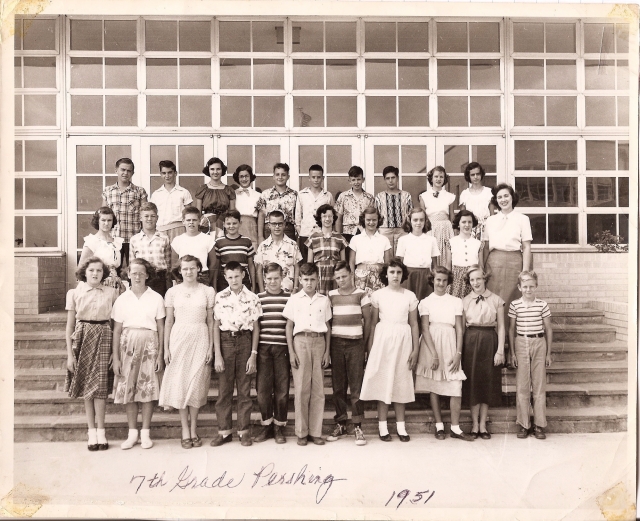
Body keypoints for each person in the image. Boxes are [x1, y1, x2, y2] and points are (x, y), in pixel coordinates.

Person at [159, 255, 215, 449]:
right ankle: (185, 430)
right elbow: (168, 322)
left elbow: (210, 321)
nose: (189, 272)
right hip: (179, 338)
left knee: (196, 384)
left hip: (200, 337)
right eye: (185, 269)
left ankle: (194, 428)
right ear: (180, 271)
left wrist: (211, 347)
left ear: (199, 269)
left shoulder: (207, 291)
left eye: (192, 268)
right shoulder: (172, 292)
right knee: (181, 384)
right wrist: (165, 348)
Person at [360, 259, 420, 442]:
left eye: (399, 272)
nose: (395, 275)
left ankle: (401, 427)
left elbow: (414, 323)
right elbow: (372, 322)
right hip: (383, 340)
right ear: (386, 274)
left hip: (403, 339)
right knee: (383, 381)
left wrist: (415, 349)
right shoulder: (378, 295)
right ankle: (383, 426)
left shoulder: (409, 296)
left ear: (403, 275)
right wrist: (369, 349)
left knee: (401, 382)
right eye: (392, 272)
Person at [64, 257, 119, 451]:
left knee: (100, 387)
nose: (95, 274)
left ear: (104, 274)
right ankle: (91, 432)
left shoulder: (112, 293)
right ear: (84, 273)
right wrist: (70, 355)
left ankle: (102, 432)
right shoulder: (74, 292)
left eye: (99, 270)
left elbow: (115, 325)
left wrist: (115, 351)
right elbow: (70, 326)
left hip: (104, 335)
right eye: (91, 270)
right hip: (82, 336)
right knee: (88, 385)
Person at [111, 258, 166, 450]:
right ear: (128, 275)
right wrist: (116, 357)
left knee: (148, 389)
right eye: (133, 272)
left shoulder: (157, 298)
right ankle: (132, 433)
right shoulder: (121, 299)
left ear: (147, 275)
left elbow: (161, 327)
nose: (137, 276)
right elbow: (116, 330)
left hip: (150, 344)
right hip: (127, 346)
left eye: (141, 273)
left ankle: (145, 433)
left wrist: (160, 355)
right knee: (130, 389)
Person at [415, 267, 473, 441]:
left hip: (450, 341)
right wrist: (433, 354)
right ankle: (439, 426)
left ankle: (455, 428)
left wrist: (458, 353)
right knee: (435, 384)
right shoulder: (425, 302)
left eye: (444, 280)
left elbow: (460, 329)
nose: (441, 283)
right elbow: (424, 329)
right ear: (433, 280)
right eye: (438, 279)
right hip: (431, 343)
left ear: (448, 282)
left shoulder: (456, 301)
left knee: (455, 385)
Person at [211, 262, 263, 447]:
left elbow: (256, 328)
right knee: (224, 390)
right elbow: (215, 326)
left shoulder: (253, 297)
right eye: (230, 277)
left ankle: (244, 431)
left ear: (243, 275)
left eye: (237, 276)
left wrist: (253, 354)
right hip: (225, 342)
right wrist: (217, 354)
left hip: (245, 341)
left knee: (244, 389)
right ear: (225, 277)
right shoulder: (220, 297)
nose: (234, 280)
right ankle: (224, 431)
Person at [282, 263, 332, 446]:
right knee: (302, 388)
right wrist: (291, 351)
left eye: (312, 279)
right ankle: (301, 432)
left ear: (317, 280)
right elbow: (289, 326)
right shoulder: (294, 299)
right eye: (305, 280)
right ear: (300, 280)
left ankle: (315, 432)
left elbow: (328, 328)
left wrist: (327, 351)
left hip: (319, 342)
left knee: (318, 390)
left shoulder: (324, 300)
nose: (309, 283)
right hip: (300, 342)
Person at [326, 261, 371, 446]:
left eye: (344, 276)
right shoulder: (331, 295)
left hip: (355, 344)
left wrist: (365, 345)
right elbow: (328, 323)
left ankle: (357, 425)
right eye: (337, 278)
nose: (341, 280)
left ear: (351, 274)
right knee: (338, 386)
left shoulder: (362, 294)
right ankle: (341, 423)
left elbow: (368, 321)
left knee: (356, 386)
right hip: (336, 344)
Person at [508, 270, 553, 440]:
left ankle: (539, 425)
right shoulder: (515, 305)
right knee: (522, 386)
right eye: (525, 286)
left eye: (531, 286)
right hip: (521, 342)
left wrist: (548, 353)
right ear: (519, 287)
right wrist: (512, 353)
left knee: (539, 386)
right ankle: (523, 424)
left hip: (539, 342)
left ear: (536, 287)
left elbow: (548, 329)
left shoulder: (542, 304)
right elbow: (511, 329)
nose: (528, 290)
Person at [462, 265, 506, 439]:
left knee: (487, 381)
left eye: (479, 278)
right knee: (473, 381)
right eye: (472, 280)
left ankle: (483, 425)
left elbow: (501, 327)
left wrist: (500, 350)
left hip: (490, 341)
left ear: (485, 279)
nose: (475, 282)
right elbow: (461, 328)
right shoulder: (464, 301)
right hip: (471, 341)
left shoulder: (497, 300)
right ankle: (474, 424)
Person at [253, 263, 292, 444]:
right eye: (269, 278)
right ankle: (266, 424)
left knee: (282, 390)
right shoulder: (258, 298)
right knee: (263, 389)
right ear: (264, 278)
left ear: (282, 276)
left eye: (276, 278)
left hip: (282, 348)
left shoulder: (290, 298)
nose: (273, 282)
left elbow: (291, 325)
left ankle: (279, 426)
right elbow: (256, 326)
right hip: (263, 349)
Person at [483, 183, 533, 315]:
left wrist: (525, 271)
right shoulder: (490, 220)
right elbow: (486, 247)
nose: (503, 200)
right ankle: (495, 334)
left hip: (515, 261)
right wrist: (481, 267)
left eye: (506, 196)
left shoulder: (523, 219)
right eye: (499, 197)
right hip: (493, 262)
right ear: (496, 200)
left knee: (513, 299)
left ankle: (511, 335)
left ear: (512, 198)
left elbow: (527, 246)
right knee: (493, 298)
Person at [102, 158, 148, 268]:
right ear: (116, 170)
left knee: (135, 269)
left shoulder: (139, 191)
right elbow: (103, 215)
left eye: (129, 171)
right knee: (112, 270)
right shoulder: (108, 191)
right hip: (113, 238)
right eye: (122, 170)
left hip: (134, 238)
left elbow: (145, 215)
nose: (125, 173)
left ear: (133, 173)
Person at [149, 160, 193, 267]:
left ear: (175, 173)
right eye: (164, 173)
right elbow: (152, 215)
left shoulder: (183, 192)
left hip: (178, 229)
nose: (167, 176)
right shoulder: (156, 194)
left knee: (179, 260)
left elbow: (189, 213)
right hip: (161, 230)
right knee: (162, 260)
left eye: (169, 172)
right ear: (160, 174)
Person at [396, 207, 440, 301]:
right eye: (415, 220)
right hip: (409, 276)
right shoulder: (403, 240)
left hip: (426, 275)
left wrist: (435, 278)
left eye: (421, 220)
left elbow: (435, 265)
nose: (418, 223)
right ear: (410, 221)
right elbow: (399, 263)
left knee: (424, 303)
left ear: (425, 221)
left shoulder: (431, 240)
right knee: (408, 302)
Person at [78, 206, 126, 293]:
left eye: (109, 220)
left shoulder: (117, 242)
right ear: (98, 221)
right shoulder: (92, 242)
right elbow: (81, 268)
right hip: (97, 284)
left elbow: (121, 267)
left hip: (114, 285)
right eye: (103, 220)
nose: (106, 223)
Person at [254, 210, 302, 293]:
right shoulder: (263, 246)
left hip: (288, 292)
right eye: (274, 224)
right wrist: (262, 291)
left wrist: (295, 289)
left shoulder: (292, 245)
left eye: (280, 224)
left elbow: (297, 268)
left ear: (284, 225)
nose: (277, 227)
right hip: (268, 292)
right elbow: (259, 270)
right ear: (269, 225)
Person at [130, 202, 171, 297]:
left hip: (159, 279)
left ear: (157, 218)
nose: (149, 219)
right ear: (140, 218)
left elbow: (168, 265)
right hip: (141, 278)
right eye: (146, 216)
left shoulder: (164, 238)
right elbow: (132, 264)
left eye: (152, 216)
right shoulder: (134, 239)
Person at [305, 204, 348, 295]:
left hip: (335, 276)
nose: (327, 219)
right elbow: (309, 264)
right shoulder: (313, 238)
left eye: (330, 216)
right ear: (320, 219)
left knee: (334, 301)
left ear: (333, 218)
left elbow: (343, 263)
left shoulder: (340, 238)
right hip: (319, 276)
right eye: (324, 216)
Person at [348, 206, 392, 296]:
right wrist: (352, 281)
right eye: (368, 220)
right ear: (363, 220)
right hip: (360, 277)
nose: (371, 222)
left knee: (378, 305)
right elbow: (351, 262)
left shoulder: (384, 239)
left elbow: (388, 264)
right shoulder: (356, 239)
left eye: (374, 220)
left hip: (379, 277)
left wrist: (387, 281)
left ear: (378, 220)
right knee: (362, 304)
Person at [295, 164, 334, 261]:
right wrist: (301, 233)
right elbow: (298, 217)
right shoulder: (302, 194)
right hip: (305, 235)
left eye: (318, 177)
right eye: (313, 177)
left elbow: (332, 216)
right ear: (309, 178)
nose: (316, 180)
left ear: (322, 178)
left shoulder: (327, 195)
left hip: (322, 236)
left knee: (321, 263)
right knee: (306, 265)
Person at [419, 166, 455, 270]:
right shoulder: (424, 196)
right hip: (431, 228)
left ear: (444, 179)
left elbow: (452, 216)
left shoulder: (449, 196)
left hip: (445, 228)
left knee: (446, 255)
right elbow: (423, 217)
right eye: (436, 176)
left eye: (441, 177)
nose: (438, 179)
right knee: (431, 255)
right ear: (431, 178)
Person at [170, 206, 217, 286]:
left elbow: (213, 262)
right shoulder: (177, 240)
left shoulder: (207, 239)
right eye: (188, 220)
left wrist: (208, 279)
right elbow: (174, 264)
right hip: (183, 276)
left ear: (199, 221)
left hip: (202, 276)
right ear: (183, 221)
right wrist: (177, 280)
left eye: (194, 220)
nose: (191, 222)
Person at [212, 209, 256, 292]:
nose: (231, 226)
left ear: (240, 223)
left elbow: (251, 265)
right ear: (224, 224)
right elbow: (216, 266)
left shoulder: (246, 241)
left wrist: (253, 285)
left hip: (243, 280)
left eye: (234, 223)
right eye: (228, 223)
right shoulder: (219, 242)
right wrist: (215, 286)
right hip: (224, 282)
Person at [374, 166, 413, 255]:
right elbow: (376, 216)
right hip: (385, 230)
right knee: (386, 257)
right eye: (387, 178)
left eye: (393, 178)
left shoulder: (406, 195)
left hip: (402, 230)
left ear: (397, 178)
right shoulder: (379, 197)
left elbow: (410, 214)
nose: (390, 181)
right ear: (384, 180)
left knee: (402, 257)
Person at [256, 163, 298, 241]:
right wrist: (260, 236)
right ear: (273, 177)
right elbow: (261, 215)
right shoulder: (265, 194)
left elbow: (297, 217)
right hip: (269, 230)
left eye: (283, 175)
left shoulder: (294, 195)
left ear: (288, 177)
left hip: (288, 230)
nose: (280, 177)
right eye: (277, 174)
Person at [195, 157, 236, 235]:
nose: (215, 172)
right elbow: (198, 212)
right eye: (212, 169)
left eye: (218, 169)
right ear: (208, 171)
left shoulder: (229, 190)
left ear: (222, 170)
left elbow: (232, 213)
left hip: (224, 223)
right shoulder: (203, 189)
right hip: (206, 223)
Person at [335, 166, 375, 246]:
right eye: (353, 180)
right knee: (348, 257)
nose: (356, 182)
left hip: (364, 233)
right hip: (347, 233)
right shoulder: (343, 196)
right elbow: (338, 218)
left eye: (358, 179)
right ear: (349, 181)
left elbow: (373, 218)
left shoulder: (369, 198)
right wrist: (338, 236)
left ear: (363, 180)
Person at [448, 210, 482, 299]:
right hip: (456, 279)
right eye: (463, 222)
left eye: (469, 222)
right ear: (458, 224)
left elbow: (480, 266)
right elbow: (448, 266)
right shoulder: (451, 242)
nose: (467, 225)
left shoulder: (478, 243)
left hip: (473, 278)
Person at [458, 162, 494, 240]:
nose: (475, 177)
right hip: (470, 228)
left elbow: (492, 214)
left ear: (481, 175)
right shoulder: (465, 194)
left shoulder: (488, 192)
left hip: (486, 228)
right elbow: (462, 216)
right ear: (468, 176)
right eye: (472, 175)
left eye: (478, 174)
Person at [233, 164, 261, 251]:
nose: (244, 179)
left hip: (252, 227)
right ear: (238, 178)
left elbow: (261, 216)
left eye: (246, 176)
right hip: (236, 226)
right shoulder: (232, 194)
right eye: (241, 176)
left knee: (252, 250)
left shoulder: (258, 195)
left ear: (251, 177)